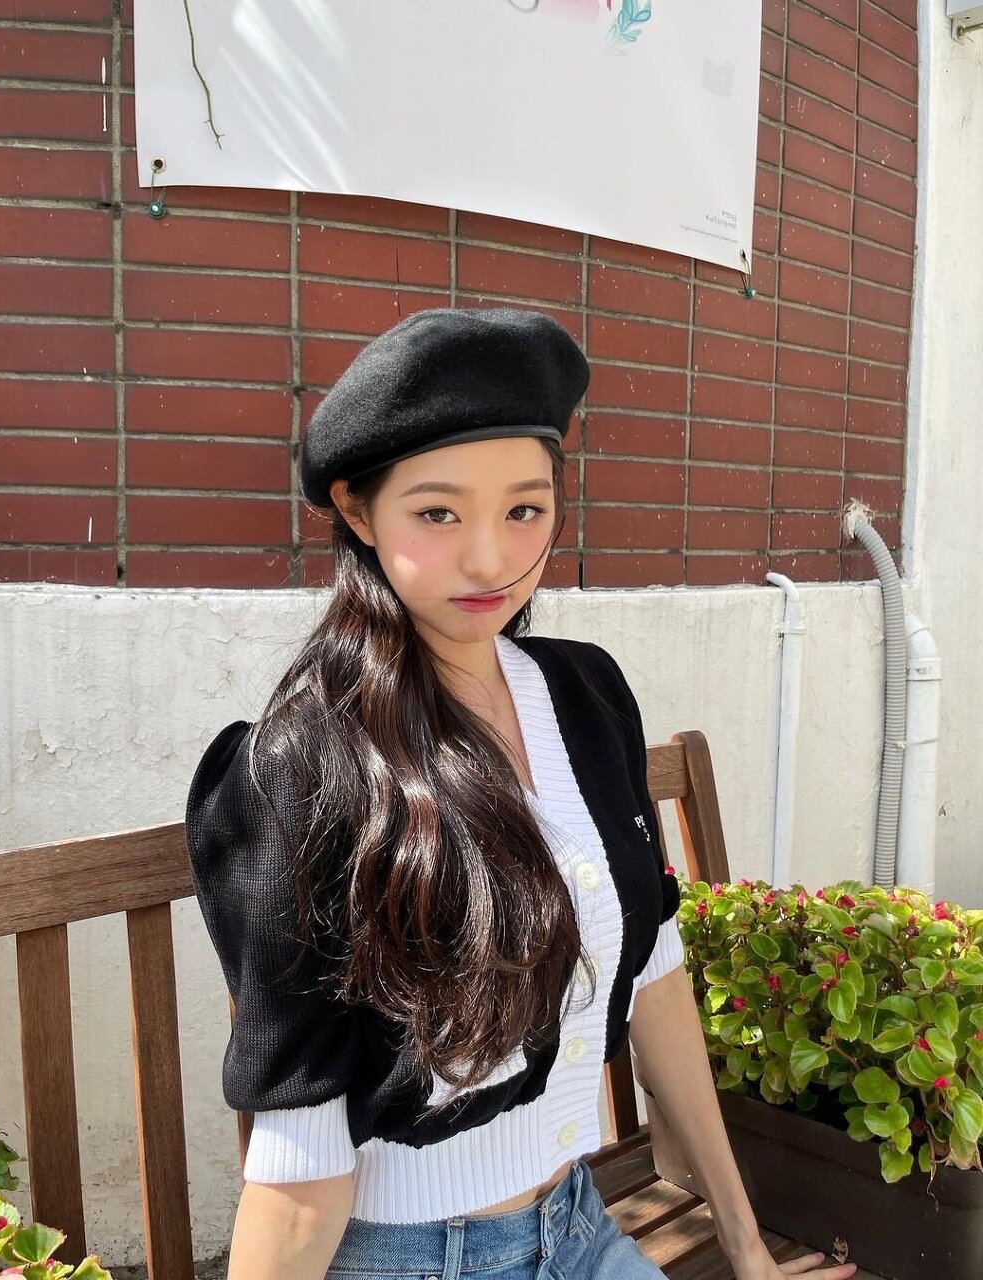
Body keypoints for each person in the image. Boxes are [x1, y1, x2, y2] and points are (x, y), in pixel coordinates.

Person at [185, 308, 859, 1280]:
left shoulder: (585, 695)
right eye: (438, 513)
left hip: (579, 1223)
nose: (492, 559)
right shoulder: (305, 769)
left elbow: (653, 971)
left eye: (524, 510)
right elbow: (297, 1169)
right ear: (358, 511)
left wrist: (745, 1246)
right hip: (411, 1257)